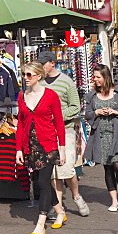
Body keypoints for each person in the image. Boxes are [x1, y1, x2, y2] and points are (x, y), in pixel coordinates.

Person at [16, 62, 66, 234]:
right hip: (30, 145)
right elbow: (21, 123)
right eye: (24, 74)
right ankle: (60, 211)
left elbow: (59, 122)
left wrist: (63, 148)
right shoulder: (22, 96)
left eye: (29, 75)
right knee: (39, 181)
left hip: (48, 144)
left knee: (44, 182)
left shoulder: (51, 95)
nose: (25, 78)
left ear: (39, 76)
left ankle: (41, 223)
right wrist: (19, 149)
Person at [36, 51, 89, 218]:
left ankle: (76, 195)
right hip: (46, 132)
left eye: (43, 63)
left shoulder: (66, 82)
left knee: (66, 170)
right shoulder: (39, 83)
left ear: (52, 63)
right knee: (52, 172)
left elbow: (75, 106)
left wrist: (57, 115)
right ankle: (58, 207)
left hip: (65, 129)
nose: (41, 67)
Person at [82, 65, 118, 212]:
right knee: (108, 168)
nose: (95, 79)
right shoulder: (92, 95)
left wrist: (115, 111)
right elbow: (88, 114)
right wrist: (97, 112)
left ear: (106, 77)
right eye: (94, 77)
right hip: (101, 135)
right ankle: (113, 200)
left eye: (98, 77)